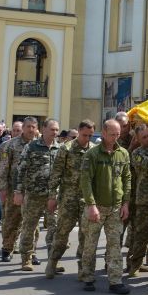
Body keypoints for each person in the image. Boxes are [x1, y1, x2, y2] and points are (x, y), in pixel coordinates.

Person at [79, 119, 131, 294]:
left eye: (118, 134)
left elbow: (127, 178)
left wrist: (126, 203)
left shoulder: (123, 153)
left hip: (116, 207)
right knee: (90, 244)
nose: (116, 137)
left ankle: (115, 280)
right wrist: (91, 205)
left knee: (115, 245)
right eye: (112, 134)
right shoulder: (92, 155)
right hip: (97, 206)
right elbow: (85, 181)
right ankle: (87, 276)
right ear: (103, 133)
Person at [45, 119, 96, 279]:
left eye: (90, 135)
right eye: (84, 135)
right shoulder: (66, 149)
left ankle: (83, 268)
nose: (86, 138)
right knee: (62, 232)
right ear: (78, 132)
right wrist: (52, 197)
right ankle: (53, 262)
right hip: (68, 198)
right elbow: (55, 174)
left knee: (85, 235)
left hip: (86, 199)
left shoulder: (94, 150)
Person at [13, 118, 61, 272]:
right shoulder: (32, 147)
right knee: (29, 228)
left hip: (52, 197)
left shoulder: (59, 148)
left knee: (54, 229)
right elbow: (21, 170)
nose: (55, 132)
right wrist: (18, 192)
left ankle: (53, 261)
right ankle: (26, 259)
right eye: (52, 129)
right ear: (44, 129)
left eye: (57, 130)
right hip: (33, 195)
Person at [0, 118, 37, 263]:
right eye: (28, 126)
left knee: (32, 224)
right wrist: (1, 189)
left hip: (33, 191)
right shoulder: (10, 145)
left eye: (33, 127)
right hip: (13, 189)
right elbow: (3, 168)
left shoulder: (39, 145)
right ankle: (7, 248)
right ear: (23, 128)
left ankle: (30, 252)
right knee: (11, 220)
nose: (31, 129)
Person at [124, 123, 148, 277]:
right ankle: (134, 265)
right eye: (144, 137)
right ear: (138, 139)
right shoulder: (136, 153)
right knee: (141, 235)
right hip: (145, 200)